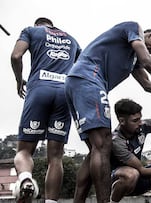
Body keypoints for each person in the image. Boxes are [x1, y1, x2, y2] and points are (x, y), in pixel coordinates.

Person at [64, 21, 151, 203]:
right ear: (146, 34)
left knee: (95, 150)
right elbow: (148, 61)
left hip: (79, 82)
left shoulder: (134, 61)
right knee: (104, 144)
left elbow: (147, 85)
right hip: (88, 78)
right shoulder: (133, 28)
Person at [10, 17, 81, 203]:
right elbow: (83, 67)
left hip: (39, 89)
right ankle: (51, 201)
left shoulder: (31, 31)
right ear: (51, 24)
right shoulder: (72, 39)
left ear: (38, 25)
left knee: (24, 151)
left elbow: (16, 56)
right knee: (56, 156)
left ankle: (25, 178)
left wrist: (19, 81)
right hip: (65, 92)